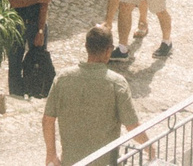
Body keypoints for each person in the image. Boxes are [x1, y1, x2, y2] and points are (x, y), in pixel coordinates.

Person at [43, 26, 140, 166]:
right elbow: (132, 126)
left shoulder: (63, 78)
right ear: (109, 50)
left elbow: (48, 120)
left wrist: (51, 153)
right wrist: (151, 147)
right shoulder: (117, 83)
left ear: (86, 46)